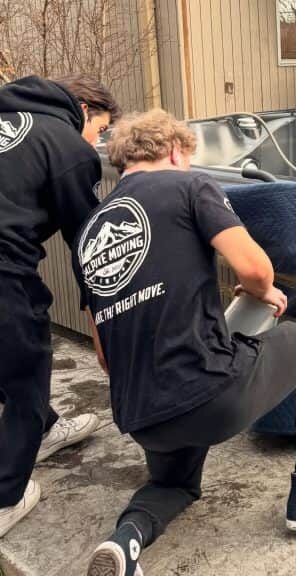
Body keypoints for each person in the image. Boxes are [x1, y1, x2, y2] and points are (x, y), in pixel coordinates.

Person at [74, 109, 296, 576]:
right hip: (210, 394)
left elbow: (104, 355)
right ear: (175, 151)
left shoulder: (89, 232)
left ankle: (126, 539)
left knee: (175, 485)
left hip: (143, 417)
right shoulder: (188, 186)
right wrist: (260, 291)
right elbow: (256, 270)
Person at [0, 74, 121, 538]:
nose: (99, 140)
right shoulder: (68, 147)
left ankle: (45, 430)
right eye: (101, 129)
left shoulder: (10, 118)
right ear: (85, 109)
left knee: (6, 359)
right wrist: (100, 314)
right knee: (28, 366)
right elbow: (86, 241)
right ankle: (6, 496)